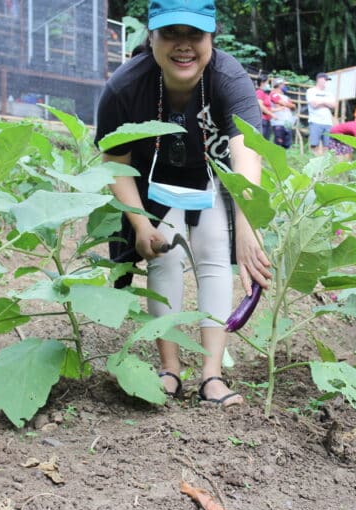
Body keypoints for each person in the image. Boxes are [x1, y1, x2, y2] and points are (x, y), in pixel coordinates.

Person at [94, 0, 272, 407]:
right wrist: (139, 225)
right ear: (151, 38)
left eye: (195, 34)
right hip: (149, 178)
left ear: (212, 37)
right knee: (164, 253)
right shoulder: (125, 86)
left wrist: (247, 226)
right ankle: (169, 370)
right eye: (171, 33)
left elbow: (247, 156)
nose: (183, 45)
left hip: (210, 173)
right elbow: (116, 162)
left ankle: (212, 377)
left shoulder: (229, 79)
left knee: (213, 251)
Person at [306, 72, 337, 155]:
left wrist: (321, 102)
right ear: (319, 79)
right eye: (325, 80)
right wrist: (326, 103)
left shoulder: (329, 93)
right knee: (314, 144)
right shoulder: (311, 91)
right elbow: (314, 104)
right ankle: (314, 160)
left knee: (327, 145)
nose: (326, 82)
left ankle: (324, 162)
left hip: (328, 122)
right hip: (315, 121)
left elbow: (334, 105)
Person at [269, 77, 296, 149]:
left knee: (287, 144)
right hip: (278, 122)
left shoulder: (285, 96)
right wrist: (287, 105)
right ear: (279, 85)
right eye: (283, 84)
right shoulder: (273, 94)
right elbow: (282, 103)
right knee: (278, 143)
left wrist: (287, 104)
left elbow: (294, 106)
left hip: (287, 122)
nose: (285, 86)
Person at [255, 75, 274, 140]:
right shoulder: (259, 92)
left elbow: (268, 107)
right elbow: (260, 106)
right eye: (267, 82)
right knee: (261, 140)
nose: (268, 84)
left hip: (267, 120)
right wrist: (271, 114)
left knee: (266, 140)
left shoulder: (266, 93)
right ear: (262, 83)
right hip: (262, 120)